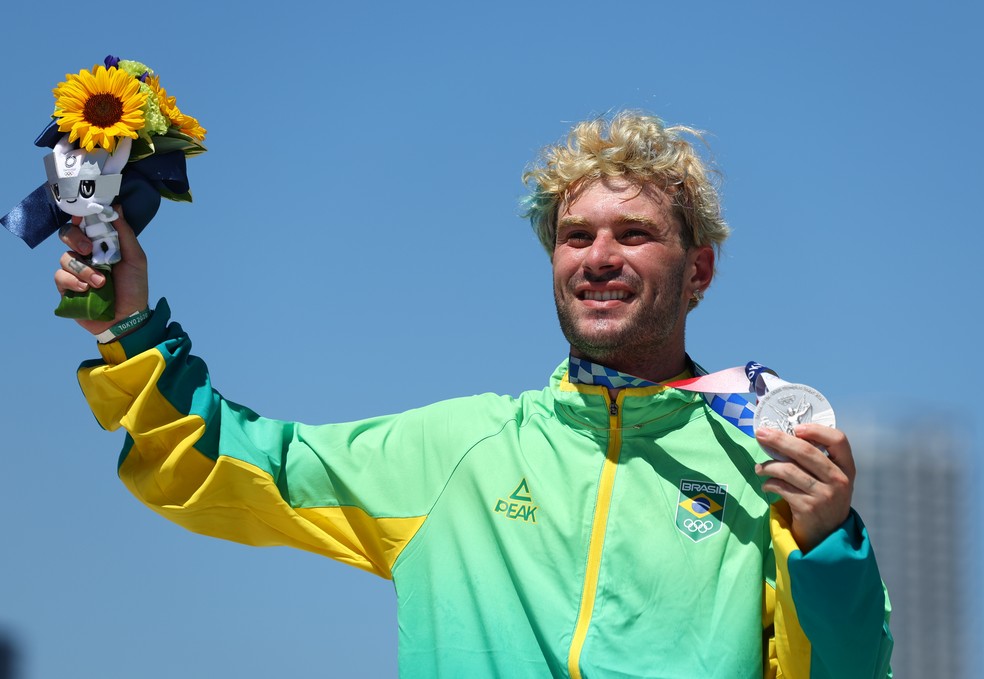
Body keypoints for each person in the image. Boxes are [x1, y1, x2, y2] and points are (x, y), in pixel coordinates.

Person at [53, 112, 893, 678]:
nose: (598, 257)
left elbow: (849, 668)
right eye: (575, 237)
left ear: (698, 271)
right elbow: (221, 465)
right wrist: (129, 330)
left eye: (634, 234)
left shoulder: (766, 463)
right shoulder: (458, 451)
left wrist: (829, 550)